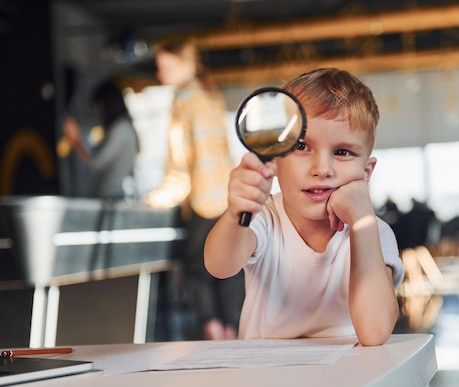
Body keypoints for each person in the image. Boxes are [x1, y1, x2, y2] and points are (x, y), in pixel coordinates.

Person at [204, 68, 405, 346]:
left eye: (342, 152)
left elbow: (375, 332)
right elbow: (219, 266)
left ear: (366, 172)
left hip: (345, 378)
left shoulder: (373, 231)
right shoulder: (264, 218)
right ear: (274, 160)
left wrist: (362, 223)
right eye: (301, 146)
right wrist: (238, 212)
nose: (322, 169)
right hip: (266, 378)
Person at [143, 38, 244, 341]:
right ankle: (232, 339)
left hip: (202, 199)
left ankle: (215, 340)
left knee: (197, 271)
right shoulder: (210, 95)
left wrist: (160, 197)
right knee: (229, 269)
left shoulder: (183, 99)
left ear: (187, 66)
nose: (160, 75)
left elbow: (181, 161)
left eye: (166, 67)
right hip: (227, 196)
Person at [63, 80, 140, 200]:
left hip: (113, 198)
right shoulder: (121, 127)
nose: (97, 111)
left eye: (99, 105)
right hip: (112, 197)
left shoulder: (121, 128)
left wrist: (76, 140)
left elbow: (97, 163)